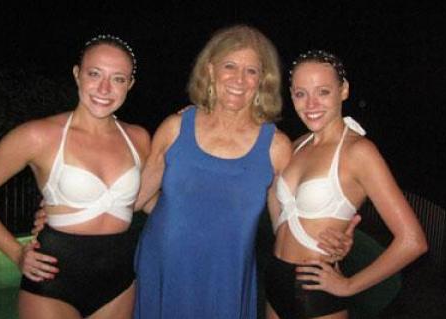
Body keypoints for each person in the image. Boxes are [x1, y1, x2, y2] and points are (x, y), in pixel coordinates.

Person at [131, 26, 358, 319]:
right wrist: (52, 221)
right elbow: (133, 200)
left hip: (227, 275)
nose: (239, 79)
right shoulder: (175, 128)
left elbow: (287, 225)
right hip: (164, 264)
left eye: (251, 71)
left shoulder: (275, 146)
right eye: (230, 66)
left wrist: (333, 244)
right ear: (211, 70)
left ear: (262, 80)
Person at [0, 34, 150, 318]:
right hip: (53, 280)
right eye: (94, 74)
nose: (104, 88)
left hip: (120, 279)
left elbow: (147, 200)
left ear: (130, 85)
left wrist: (196, 119)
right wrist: (16, 253)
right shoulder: (39, 136)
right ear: (77, 74)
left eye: (118, 78)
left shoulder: (139, 138)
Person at [264, 50, 428, 319]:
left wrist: (349, 285)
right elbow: (277, 205)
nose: (311, 104)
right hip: (276, 277)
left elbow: (413, 241)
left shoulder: (359, 152)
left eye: (323, 92)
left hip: (316, 291)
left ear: (344, 91)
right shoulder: (296, 145)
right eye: (300, 93)